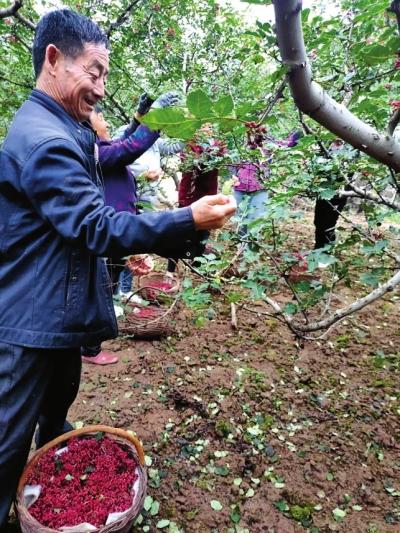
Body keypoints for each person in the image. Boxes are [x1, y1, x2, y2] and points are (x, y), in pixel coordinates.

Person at [0, 9, 236, 529]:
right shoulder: (48, 140)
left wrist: (147, 125)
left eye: (106, 75)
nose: (101, 88)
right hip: (29, 318)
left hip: (52, 313)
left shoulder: (64, 126)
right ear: (54, 60)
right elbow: (96, 226)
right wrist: (186, 219)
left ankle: (51, 472)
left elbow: (112, 157)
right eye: (95, 71)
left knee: (55, 413)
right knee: (7, 440)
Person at [81, 101, 171, 365]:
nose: (107, 122)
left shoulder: (102, 148)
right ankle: (89, 348)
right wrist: (158, 118)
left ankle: (96, 334)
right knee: (99, 288)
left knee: (110, 280)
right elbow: (130, 147)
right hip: (110, 233)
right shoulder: (94, 151)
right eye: (102, 118)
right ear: (90, 124)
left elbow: (126, 139)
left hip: (117, 233)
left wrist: (141, 116)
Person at [167, 124, 226, 272]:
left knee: (203, 234)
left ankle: (196, 268)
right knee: (179, 234)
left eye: (210, 127)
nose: (207, 129)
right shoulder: (189, 144)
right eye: (203, 126)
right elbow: (189, 163)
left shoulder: (218, 146)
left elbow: (219, 160)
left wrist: (214, 150)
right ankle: (170, 271)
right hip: (188, 198)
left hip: (208, 197)